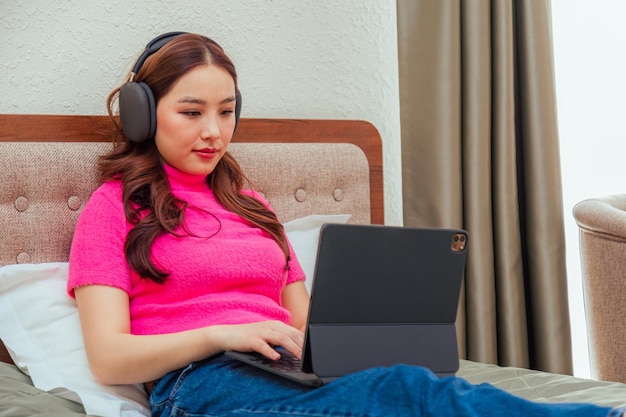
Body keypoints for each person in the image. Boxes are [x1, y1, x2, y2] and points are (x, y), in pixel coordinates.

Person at [67, 32, 624, 417]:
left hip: (290, 372)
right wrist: (222, 333)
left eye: (227, 110)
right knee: (405, 391)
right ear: (144, 112)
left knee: (417, 385)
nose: (214, 131)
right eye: (192, 112)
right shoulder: (113, 208)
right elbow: (108, 356)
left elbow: (309, 324)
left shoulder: (251, 206)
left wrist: (363, 340)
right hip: (200, 385)